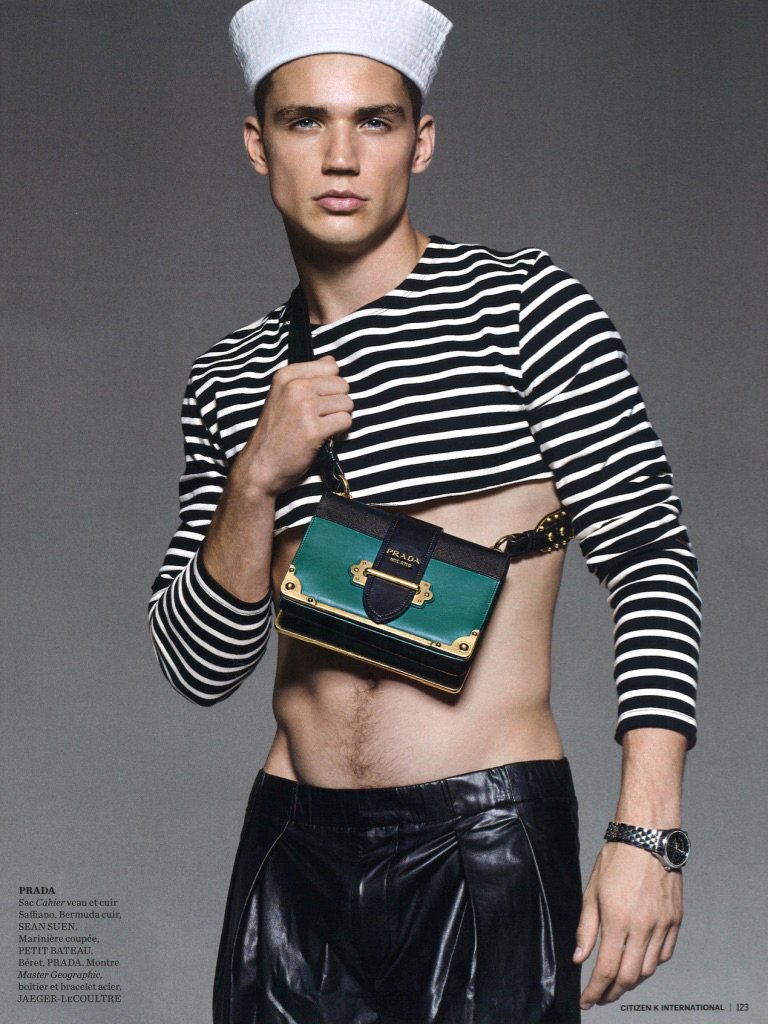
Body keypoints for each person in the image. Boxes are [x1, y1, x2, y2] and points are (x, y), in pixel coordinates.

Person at [148, 1, 700, 1021]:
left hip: (482, 837)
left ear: (422, 140)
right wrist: (257, 478)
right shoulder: (231, 377)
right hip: (292, 851)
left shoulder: (525, 307)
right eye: (307, 121)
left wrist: (648, 835)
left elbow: (651, 556)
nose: (342, 156)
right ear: (259, 145)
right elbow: (198, 665)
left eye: (376, 120)